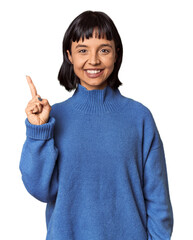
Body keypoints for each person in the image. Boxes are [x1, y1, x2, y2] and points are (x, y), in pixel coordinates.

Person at [19, 10, 174, 240]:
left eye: (104, 50)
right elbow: (40, 190)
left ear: (116, 54)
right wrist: (38, 133)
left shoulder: (139, 118)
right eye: (83, 50)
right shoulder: (53, 118)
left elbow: (158, 200)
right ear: (69, 55)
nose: (93, 60)